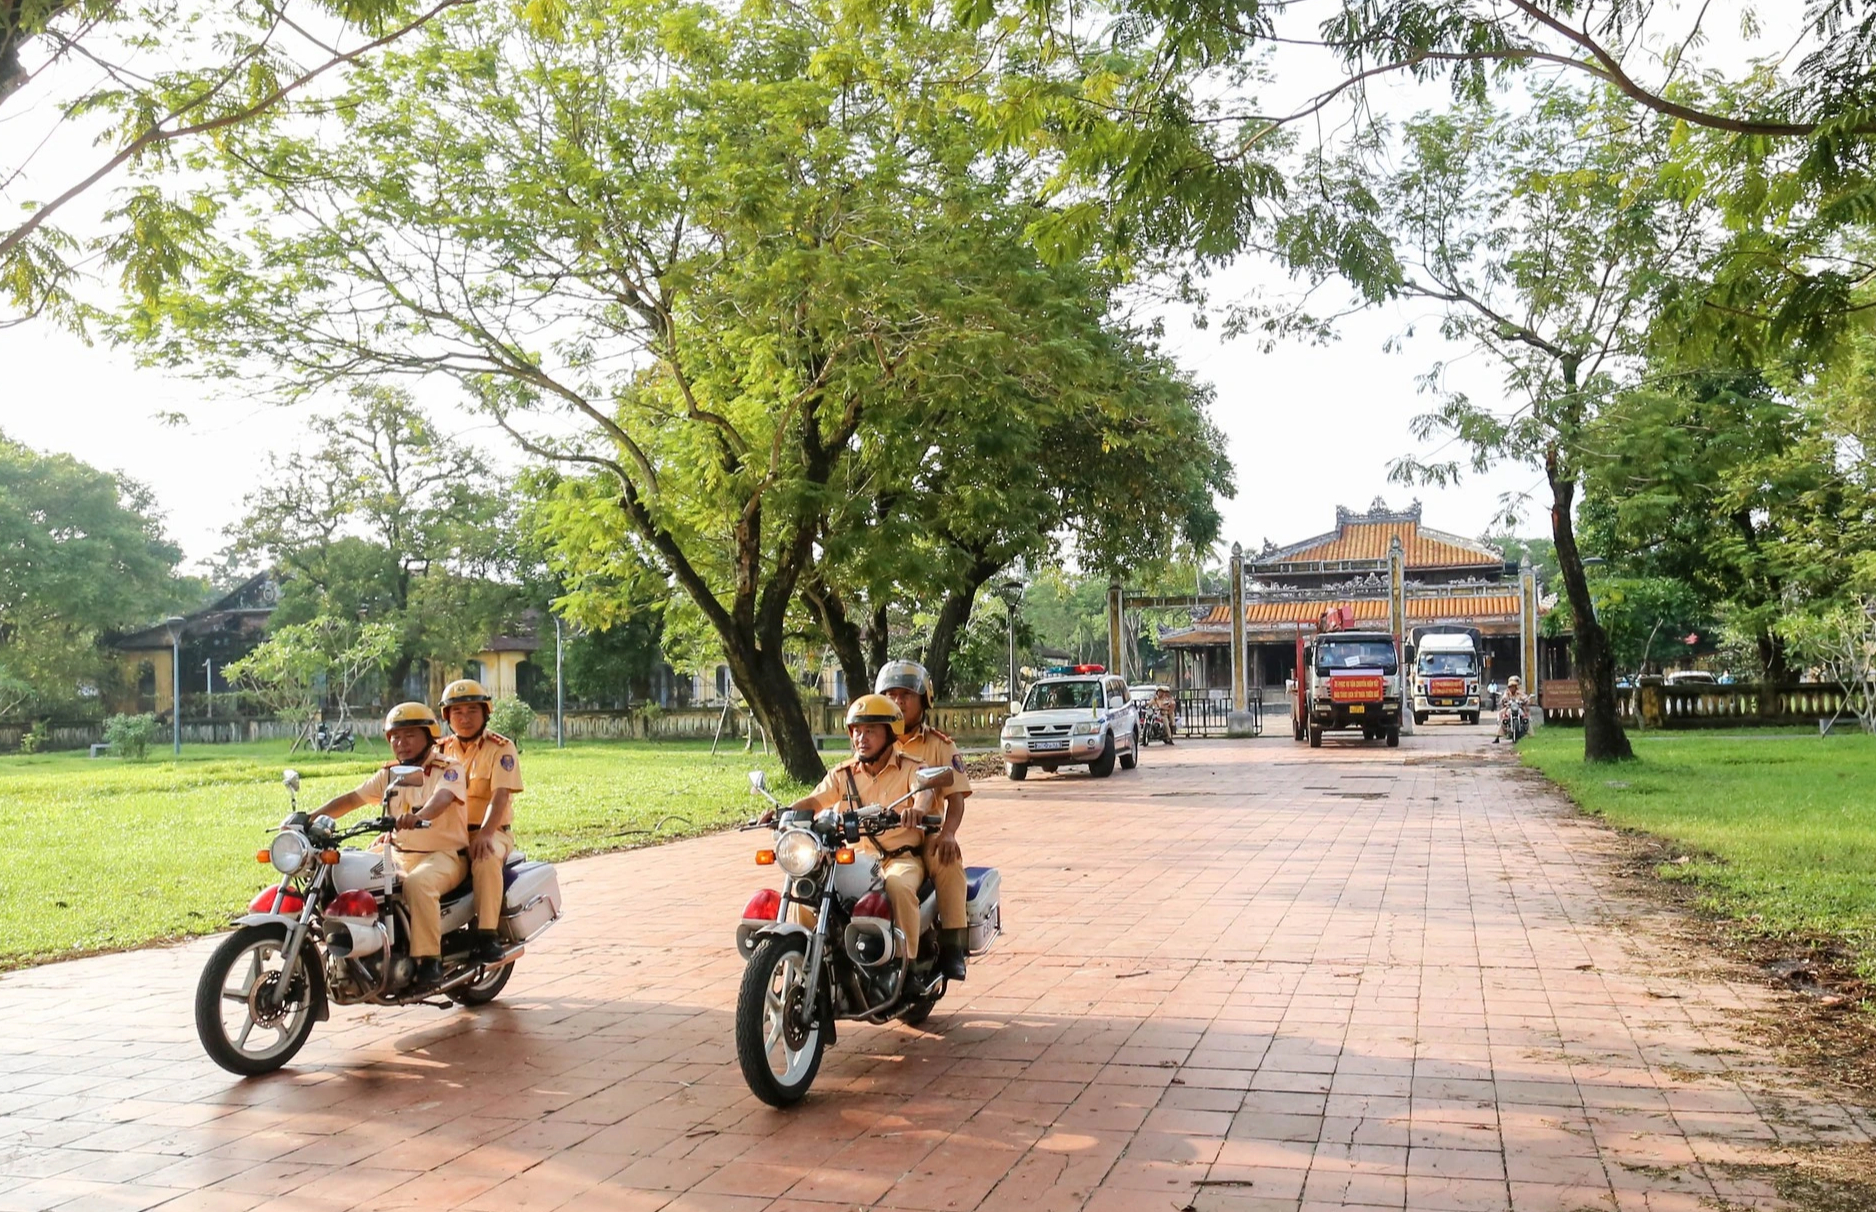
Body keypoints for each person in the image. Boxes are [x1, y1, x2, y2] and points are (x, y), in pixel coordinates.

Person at [769, 695, 937, 963]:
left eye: (870, 731)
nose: (862, 738)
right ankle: (811, 958)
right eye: (857, 731)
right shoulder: (843, 774)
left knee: (899, 888)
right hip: (853, 860)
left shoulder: (912, 767)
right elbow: (815, 800)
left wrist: (917, 810)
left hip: (899, 858)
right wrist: (785, 811)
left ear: (890, 733)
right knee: (809, 886)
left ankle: (907, 963)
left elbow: (924, 793)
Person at [313, 703, 468, 985]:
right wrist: (310, 817)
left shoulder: (450, 768)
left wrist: (418, 817)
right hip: (397, 853)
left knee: (418, 884)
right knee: (347, 869)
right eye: (395, 736)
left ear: (429, 736)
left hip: (443, 855)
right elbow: (352, 799)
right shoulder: (389, 774)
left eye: (409, 735)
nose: (401, 743)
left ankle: (429, 961)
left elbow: (442, 799)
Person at [874, 660, 971, 980]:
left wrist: (948, 833)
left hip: (924, 833)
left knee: (947, 860)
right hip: (875, 835)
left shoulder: (939, 745)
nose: (897, 702)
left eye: (905, 695)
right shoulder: (874, 738)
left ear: (923, 699)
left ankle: (953, 944)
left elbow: (955, 798)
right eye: (890, 695)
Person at [437, 678, 522, 964]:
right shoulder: (438, 750)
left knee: (485, 859)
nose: (465, 718)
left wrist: (485, 833)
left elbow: (499, 796)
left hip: (491, 830)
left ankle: (487, 935)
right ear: (447, 717)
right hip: (448, 834)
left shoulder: (501, 747)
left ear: (486, 712)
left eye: (472, 710)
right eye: (457, 712)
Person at [1495, 675, 1531, 744]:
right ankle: (1498, 736)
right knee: (1503, 718)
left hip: (1519, 708)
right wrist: (1504, 701)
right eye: (1510, 687)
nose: (1512, 688)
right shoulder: (1507, 692)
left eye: (1513, 686)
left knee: (1525, 717)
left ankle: (1529, 733)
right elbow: (1503, 698)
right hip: (1509, 708)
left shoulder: (1520, 692)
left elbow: (1525, 697)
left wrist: (1525, 700)